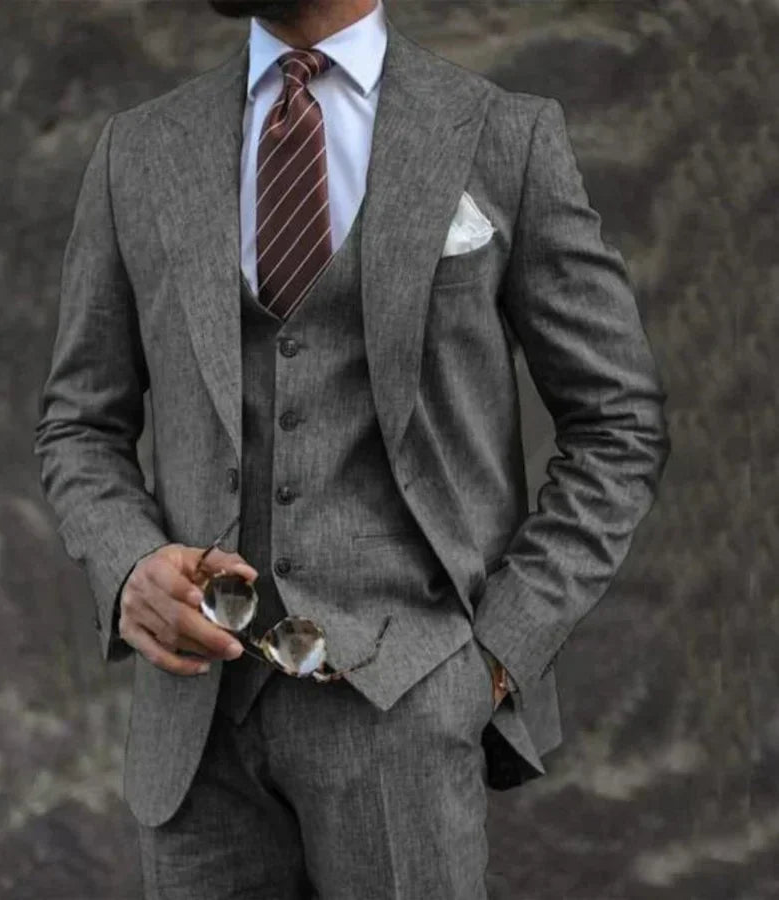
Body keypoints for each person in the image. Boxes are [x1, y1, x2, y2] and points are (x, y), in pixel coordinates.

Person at [33, 0, 671, 896]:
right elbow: (79, 424)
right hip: (197, 738)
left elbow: (618, 421)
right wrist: (129, 563)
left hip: (408, 709)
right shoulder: (137, 150)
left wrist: (492, 657)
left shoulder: (502, 135)